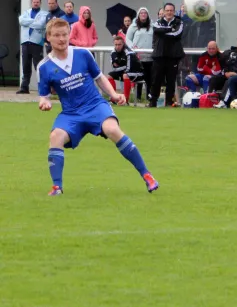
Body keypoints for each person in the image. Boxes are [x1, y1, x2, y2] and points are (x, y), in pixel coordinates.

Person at [37, 19, 159, 196]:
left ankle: (147, 175)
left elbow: (100, 77)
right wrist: (44, 102)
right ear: (48, 37)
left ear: (69, 34)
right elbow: (44, 95)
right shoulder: (44, 66)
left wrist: (114, 95)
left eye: (64, 34)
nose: (62, 39)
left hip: (95, 105)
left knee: (112, 129)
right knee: (55, 136)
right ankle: (57, 187)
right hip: (71, 113)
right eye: (56, 35)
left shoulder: (82, 54)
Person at [149, 3, 184, 108]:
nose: (169, 12)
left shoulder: (179, 22)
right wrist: (170, 29)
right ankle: (153, 101)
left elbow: (177, 34)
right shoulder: (158, 22)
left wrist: (163, 32)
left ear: (174, 11)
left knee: (171, 80)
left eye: (171, 10)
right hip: (159, 55)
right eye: (167, 10)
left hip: (173, 56)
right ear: (163, 11)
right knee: (156, 79)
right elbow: (156, 30)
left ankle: (169, 102)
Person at [17, 0, 48, 94]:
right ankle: (24, 88)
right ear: (32, 2)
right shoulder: (26, 12)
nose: (36, 3)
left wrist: (28, 22)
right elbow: (21, 21)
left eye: (37, 2)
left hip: (37, 43)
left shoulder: (44, 14)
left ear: (40, 3)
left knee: (38, 66)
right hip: (25, 42)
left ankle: (42, 88)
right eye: (34, 2)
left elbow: (41, 25)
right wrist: (34, 21)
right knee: (26, 66)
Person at [107, 36, 145, 104]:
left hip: (137, 72)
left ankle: (125, 100)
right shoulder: (113, 53)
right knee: (109, 76)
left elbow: (128, 68)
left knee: (125, 75)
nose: (117, 46)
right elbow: (114, 68)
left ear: (123, 44)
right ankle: (113, 98)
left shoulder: (128, 53)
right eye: (116, 44)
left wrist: (120, 66)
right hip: (124, 72)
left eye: (119, 44)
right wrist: (122, 66)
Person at [126, 7, 154, 101]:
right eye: (141, 13)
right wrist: (132, 47)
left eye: (145, 13)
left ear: (147, 15)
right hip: (138, 56)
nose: (143, 14)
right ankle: (137, 97)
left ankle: (149, 96)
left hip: (149, 56)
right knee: (139, 77)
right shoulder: (133, 26)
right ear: (138, 15)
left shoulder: (152, 26)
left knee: (149, 77)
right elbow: (127, 39)